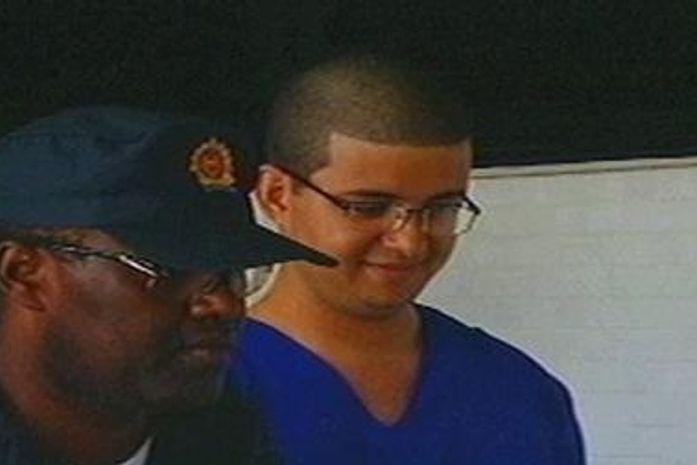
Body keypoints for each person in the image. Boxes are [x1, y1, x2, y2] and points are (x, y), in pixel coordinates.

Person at [228, 56, 586, 464]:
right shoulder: (207, 390)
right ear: (277, 195)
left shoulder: (517, 393)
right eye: (368, 207)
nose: (410, 243)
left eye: (442, 208)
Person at [0, 106, 335, 465]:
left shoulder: (242, 443)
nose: (224, 305)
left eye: (233, 274)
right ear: (24, 274)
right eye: (171, 270)